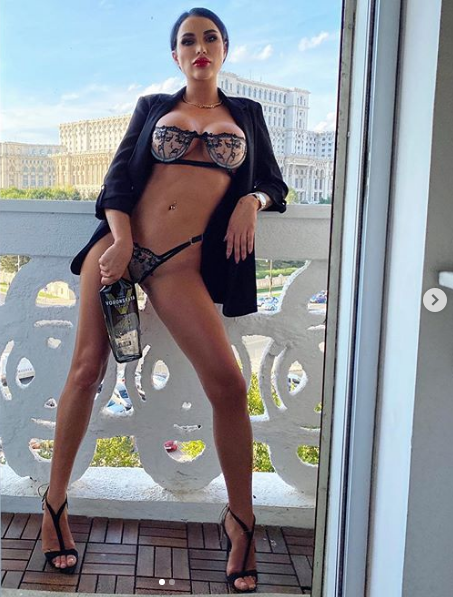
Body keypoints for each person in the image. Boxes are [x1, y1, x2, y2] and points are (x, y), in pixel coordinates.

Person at [40, 7, 288, 593]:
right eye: (187, 40)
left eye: (210, 38)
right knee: (85, 371)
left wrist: (251, 201)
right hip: (119, 249)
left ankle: (241, 521)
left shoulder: (247, 115)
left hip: (180, 266)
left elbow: (274, 183)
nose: (199, 46)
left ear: (224, 50)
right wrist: (122, 241)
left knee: (228, 385)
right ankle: (53, 506)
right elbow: (117, 181)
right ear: (175, 55)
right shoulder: (153, 106)